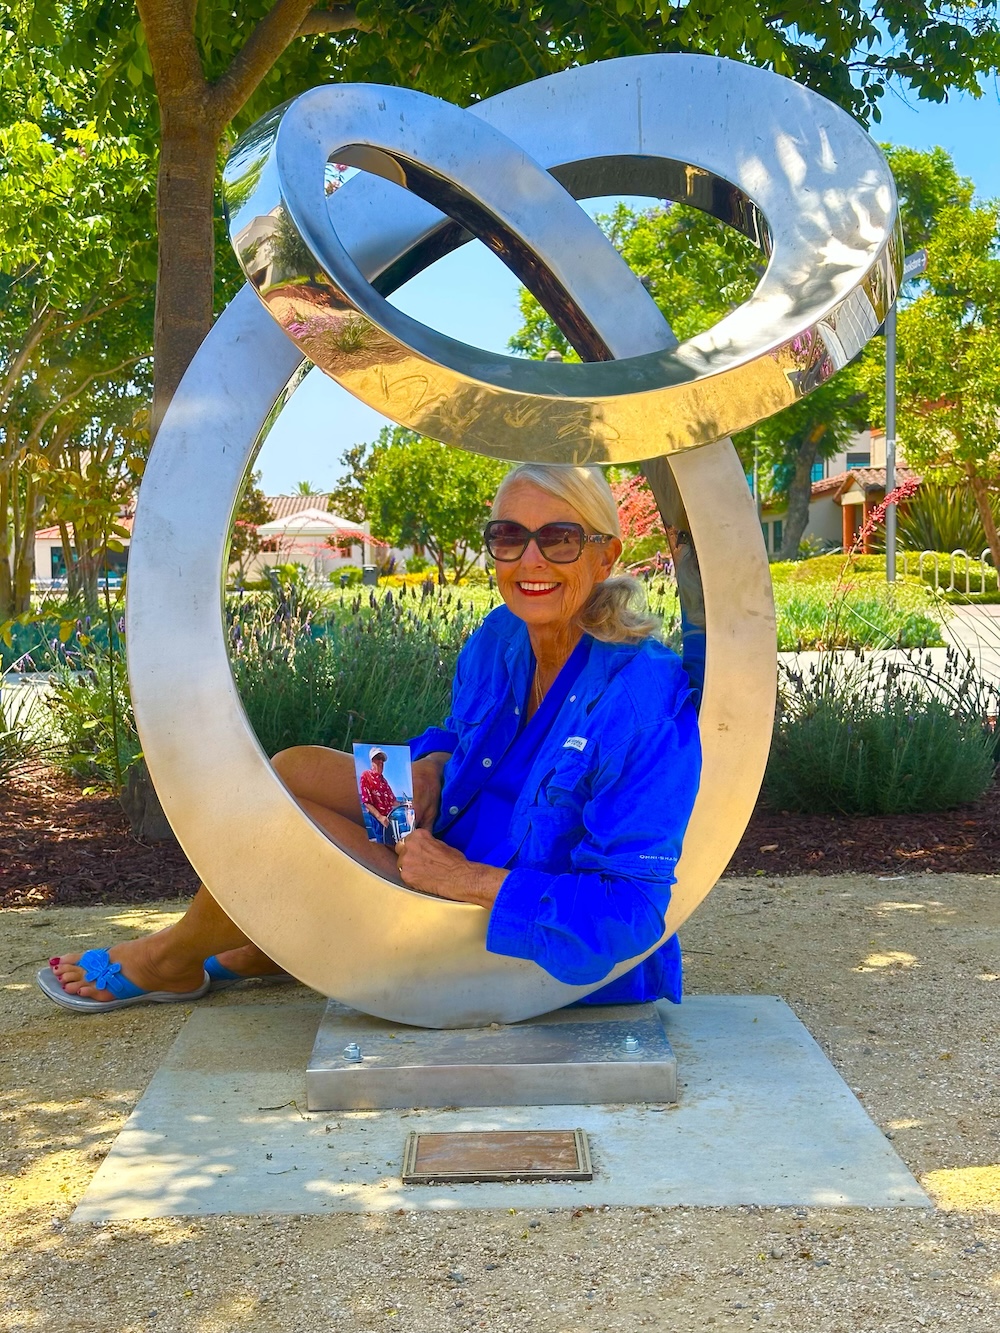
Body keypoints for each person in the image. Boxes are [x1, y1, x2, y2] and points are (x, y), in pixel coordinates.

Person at [38, 463, 701, 1012]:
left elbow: (632, 910)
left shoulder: (641, 694)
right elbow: (462, 735)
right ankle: (265, 944)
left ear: (607, 553)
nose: (531, 559)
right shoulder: (501, 638)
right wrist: (435, 763)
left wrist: (465, 878)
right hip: (438, 844)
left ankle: (172, 958)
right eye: (509, 536)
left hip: (494, 919)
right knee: (291, 768)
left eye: (559, 537)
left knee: (281, 823)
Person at [358, 747, 399, 844]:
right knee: (383, 845)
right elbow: (366, 802)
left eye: (382, 759)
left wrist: (407, 804)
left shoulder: (384, 780)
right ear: (372, 761)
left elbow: (392, 801)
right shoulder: (366, 776)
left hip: (388, 819)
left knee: (393, 843)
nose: (381, 761)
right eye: (378, 758)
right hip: (377, 820)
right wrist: (380, 817)